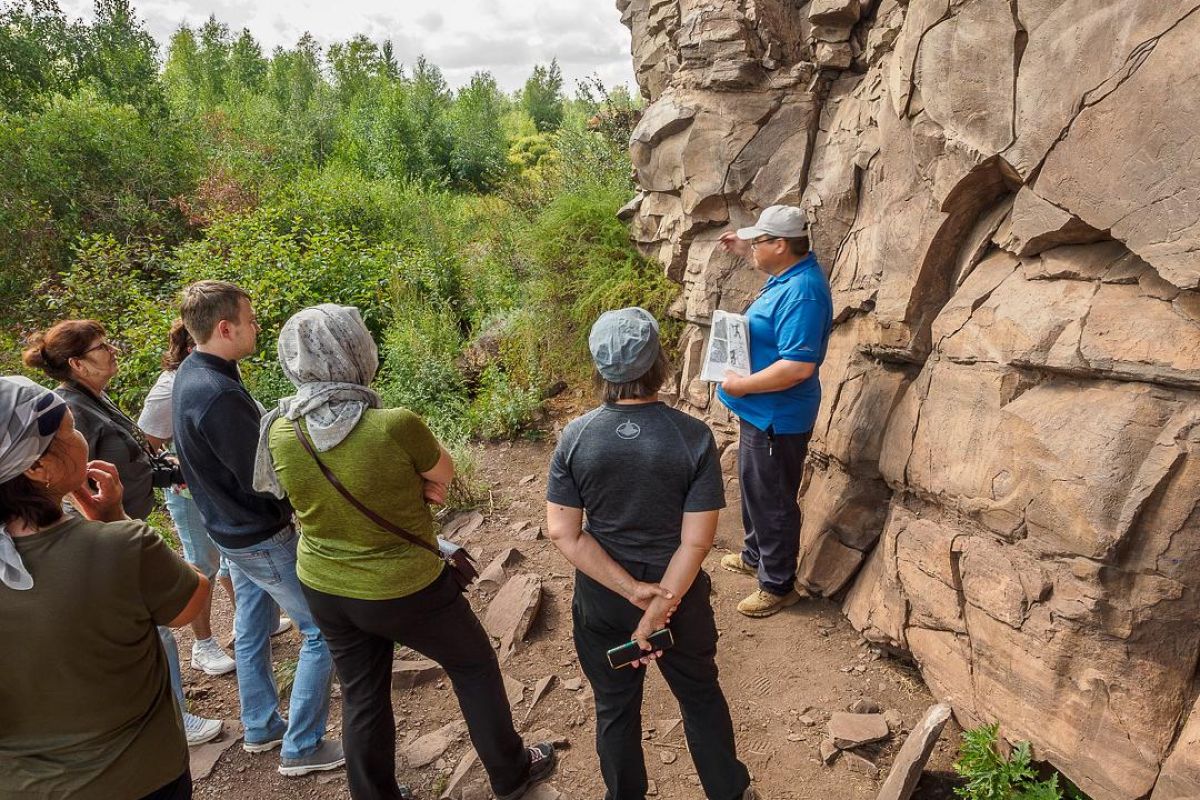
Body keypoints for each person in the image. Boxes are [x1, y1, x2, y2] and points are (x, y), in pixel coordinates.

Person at [253, 304, 557, 800]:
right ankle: (511, 773)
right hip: (405, 585)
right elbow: (444, 476)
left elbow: (284, 496)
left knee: (362, 694)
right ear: (354, 352)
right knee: (473, 666)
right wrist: (408, 486)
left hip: (325, 586)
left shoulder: (279, 431)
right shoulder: (393, 424)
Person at [546, 307, 754, 800]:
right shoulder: (692, 437)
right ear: (659, 362)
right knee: (700, 694)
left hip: (603, 601)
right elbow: (697, 541)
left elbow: (564, 533)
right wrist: (659, 606)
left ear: (600, 369)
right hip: (679, 598)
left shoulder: (576, 437)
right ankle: (730, 792)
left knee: (615, 708)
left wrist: (632, 592)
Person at [0, 375, 210, 800]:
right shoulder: (122, 546)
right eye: (70, 429)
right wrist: (115, 517)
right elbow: (192, 602)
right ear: (38, 466)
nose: (80, 439)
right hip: (142, 776)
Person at [21, 320, 226, 746]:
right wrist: (105, 527)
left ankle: (167, 712)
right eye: (101, 346)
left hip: (121, 522)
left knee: (147, 623)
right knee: (153, 622)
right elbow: (75, 481)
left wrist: (167, 473)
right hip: (100, 533)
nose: (112, 350)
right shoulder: (68, 410)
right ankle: (173, 717)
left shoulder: (96, 399)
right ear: (77, 363)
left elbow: (131, 457)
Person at [172, 280, 342, 777]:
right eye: (249, 319)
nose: (257, 326)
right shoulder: (217, 392)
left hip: (228, 529)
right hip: (258, 535)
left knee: (249, 628)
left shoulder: (195, 371)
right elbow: (263, 478)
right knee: (323, 630)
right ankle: (302, 746)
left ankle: (262, 725)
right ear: (224, 328)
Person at [715, 205, 833, 618]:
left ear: (780, 245)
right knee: (754, 489)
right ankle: (754, 555)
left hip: (777, 417)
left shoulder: (804, 293)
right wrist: (743, 251)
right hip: (760, 411)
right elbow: (766, 264)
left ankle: (778, 584)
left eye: (758, 241)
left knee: (772, 499)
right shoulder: (788, 275)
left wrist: (741, 385)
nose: (753, 246)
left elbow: (798, 366)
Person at [138, 319, 237, 676]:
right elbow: (146, 443)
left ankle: (244, 624)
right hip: (187, 491)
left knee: (229, 557)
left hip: (216, 487)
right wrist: (178, 459)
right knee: (201, 564)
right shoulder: (169, 385)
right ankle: (203, 645)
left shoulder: (213, 372)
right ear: (193, 345)